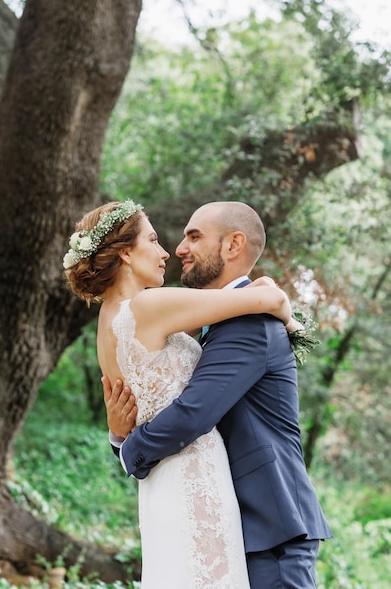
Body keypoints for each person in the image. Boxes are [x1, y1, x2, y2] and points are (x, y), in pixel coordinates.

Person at [63, 199, 301, 589]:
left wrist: (120, 440)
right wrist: (284, 312)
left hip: (159, 484)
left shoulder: (109, 324)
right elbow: (269, 301)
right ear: (125, 252)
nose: (165, 253)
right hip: (195, 478)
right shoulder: (149, 306)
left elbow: (143, 406)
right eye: (153, 241)